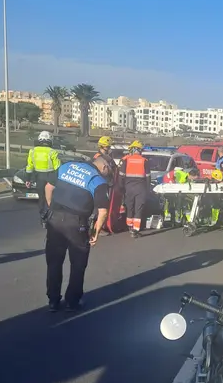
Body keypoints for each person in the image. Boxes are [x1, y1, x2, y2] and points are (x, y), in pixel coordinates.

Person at [44, 156, 110, 312]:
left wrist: (51, 207)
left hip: (55, 221)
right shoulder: (97, 179)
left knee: (54, 262)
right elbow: (103, 211)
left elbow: (48, 187)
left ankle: (53, 300)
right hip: (77, 224)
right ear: (104, 167)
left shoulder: (66, 166)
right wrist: (95, 232)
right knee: (78, 265)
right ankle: (72, 301)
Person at [25, 131, 61, 220]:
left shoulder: (32, 151)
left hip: (39, 176)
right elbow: (58, 167)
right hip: (51, 176)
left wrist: (28, 179)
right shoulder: (53, 152)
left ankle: (42, 214)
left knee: (41, 197)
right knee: (51, 196)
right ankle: (51, 212)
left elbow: (29, 166)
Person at [120, 141, 150, 237]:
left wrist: (121, 188)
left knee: (130, 207)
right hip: (141, 188)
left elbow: (121, 176)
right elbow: (148, 177)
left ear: (132, 149)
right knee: (138, 209)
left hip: (128, 187)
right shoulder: (144, 161)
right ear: (139, 150)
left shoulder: (126, 160)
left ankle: (129, 226)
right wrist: (148, 189)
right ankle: (135, 230)